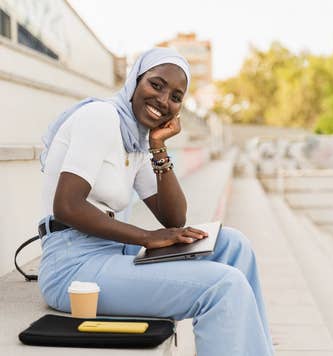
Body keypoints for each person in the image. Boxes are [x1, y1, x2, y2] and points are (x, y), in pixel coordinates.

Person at [37, 47, 274, 356]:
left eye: (175, 97)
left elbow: (174, 218)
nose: (163, 101)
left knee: (233, 244)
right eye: (156, 85)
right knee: (223, 286)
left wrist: (158, 147)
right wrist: (147, 237)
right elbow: (67, 206)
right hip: (72, 266)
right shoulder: (100, 117)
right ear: (135, 80)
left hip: (109, 252)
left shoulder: (135, 138)